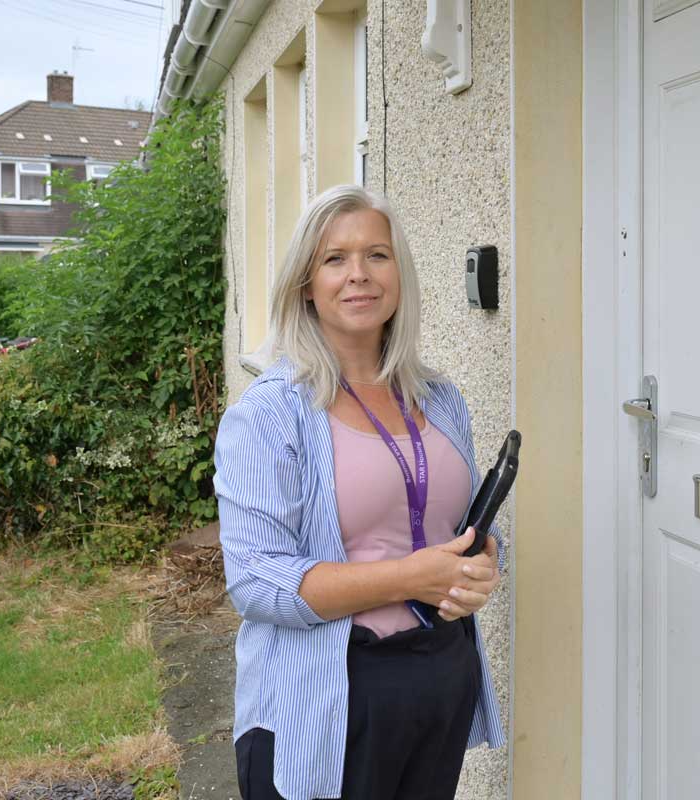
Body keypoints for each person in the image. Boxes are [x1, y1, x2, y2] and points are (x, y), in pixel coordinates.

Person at [214, 184, 506, 800]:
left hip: (438, 679)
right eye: (334, 259)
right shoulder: (269, 415)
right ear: (305, 284)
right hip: (327, 700)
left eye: (377, 254)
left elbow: (448, 527)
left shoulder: (440, 399)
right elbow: (256, 581)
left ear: (399, 272)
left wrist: (482, 560)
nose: (359, 275)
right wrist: (409, 578)